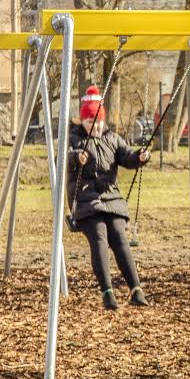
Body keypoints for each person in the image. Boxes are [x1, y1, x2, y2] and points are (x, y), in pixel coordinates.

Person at [68, 85, 152, 310]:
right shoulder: (74, 139)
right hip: (85, 200)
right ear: (81, 121)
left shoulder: (113, 139)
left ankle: (136, 289)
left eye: (98, 122)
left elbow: (127, 158)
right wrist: (77, 158)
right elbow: (65, 159)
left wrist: (141, 157)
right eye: (89, 122)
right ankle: (108, 292)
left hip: (111, 199)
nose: (95, 126)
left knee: (118, 235)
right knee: (99, 236)